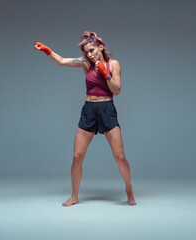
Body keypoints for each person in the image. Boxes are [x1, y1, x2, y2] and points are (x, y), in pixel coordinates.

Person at [34, 31, 136, 206]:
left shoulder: (114, 64)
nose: (89, 54)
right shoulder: (85, 63)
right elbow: (61, 61)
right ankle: (74, 195)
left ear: (101, 47)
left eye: (92, 50)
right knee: (76, 157)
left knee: (120, 157)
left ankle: (128, 188)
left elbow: (116, 90)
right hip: (89, 110)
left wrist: (106, 73)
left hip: (106, 109)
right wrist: (47, 51)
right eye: (87, 52)